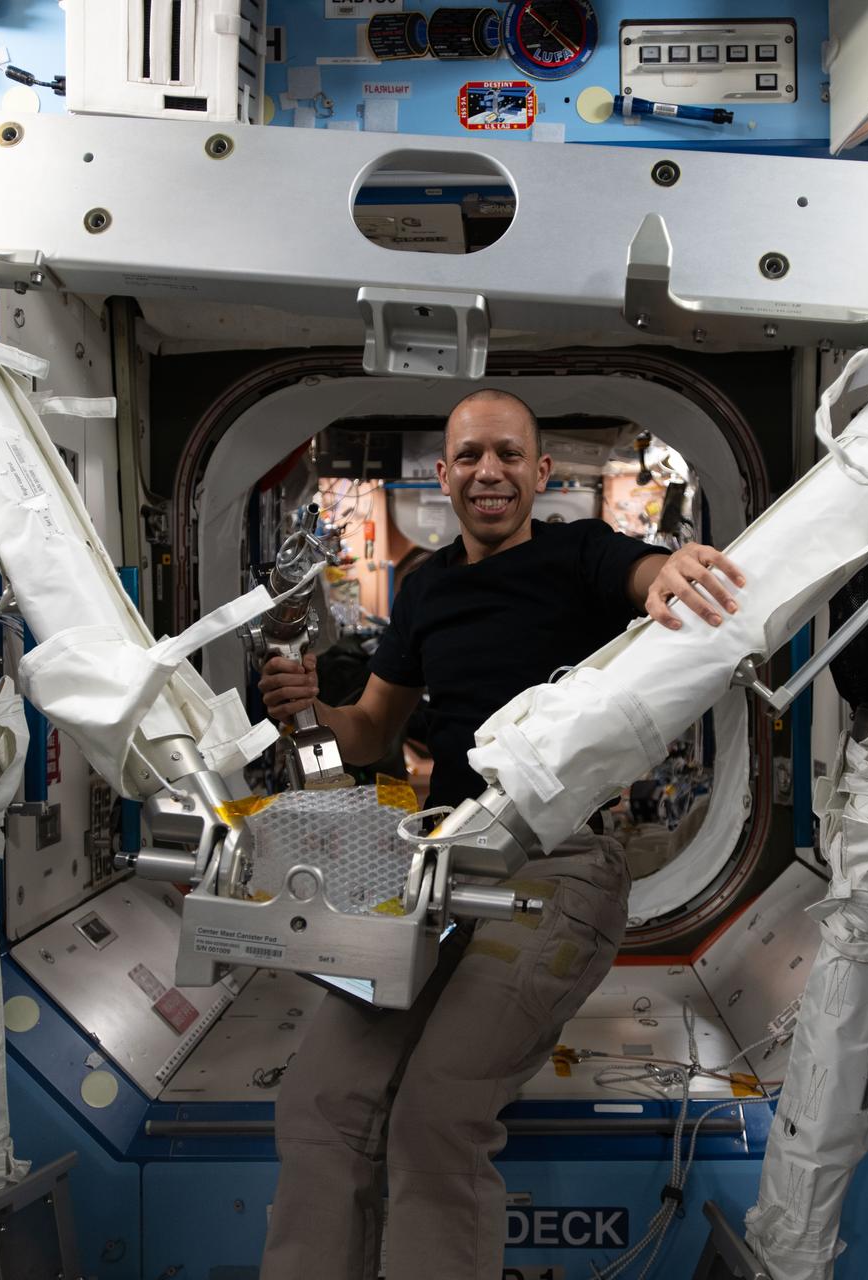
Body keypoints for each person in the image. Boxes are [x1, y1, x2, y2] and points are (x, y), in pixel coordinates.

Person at [254, 388, 745, 1279]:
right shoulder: (426, 588)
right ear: (443, 476)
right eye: (471, 457)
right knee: (320, 1100)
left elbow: (638, 574)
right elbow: (369, 730)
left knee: (437, 1110)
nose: (490, 473)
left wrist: (669, 576)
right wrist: (313, 714)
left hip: (556, 869)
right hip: (441, 865)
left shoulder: (580, 554)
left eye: (510, 456)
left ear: (540, 473)